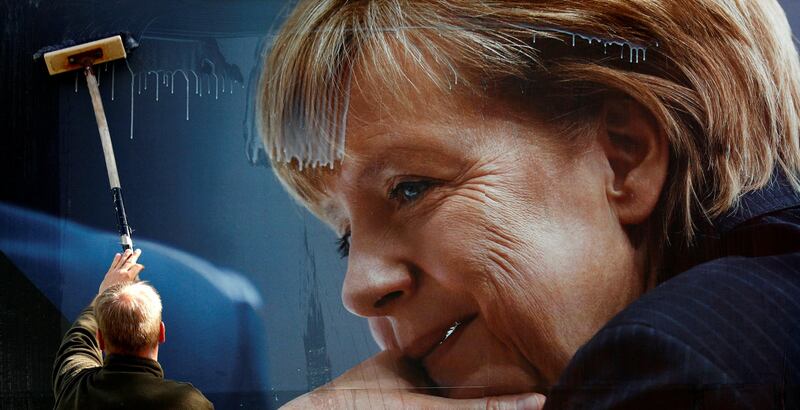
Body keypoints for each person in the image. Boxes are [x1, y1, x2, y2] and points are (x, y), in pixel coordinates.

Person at [257, 0, 800, 408]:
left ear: (625, 157)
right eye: (346, 236)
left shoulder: (669, 369)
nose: (358, 289)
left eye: (411, 187)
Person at [52, 249, 214, 409]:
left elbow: (78, 343)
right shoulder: (190, 403)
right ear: (161, 332)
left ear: (100, 339)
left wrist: (106, 294)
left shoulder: (75, 393)